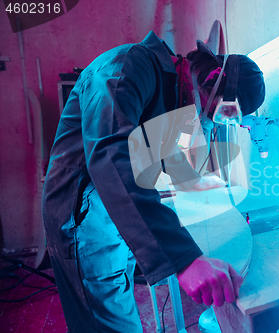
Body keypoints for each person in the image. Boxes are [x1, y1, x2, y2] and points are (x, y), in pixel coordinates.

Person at [42, 31, 265, 332]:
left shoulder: (171, 93)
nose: (206, 121)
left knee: (116, 301)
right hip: (83, 215)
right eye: (216, 113)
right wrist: (186, 260)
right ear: (211, 78)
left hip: (111, 213)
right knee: (108, 323)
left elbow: (162, 164)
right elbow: (111, 160)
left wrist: (207, 191)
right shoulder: (127, 68)